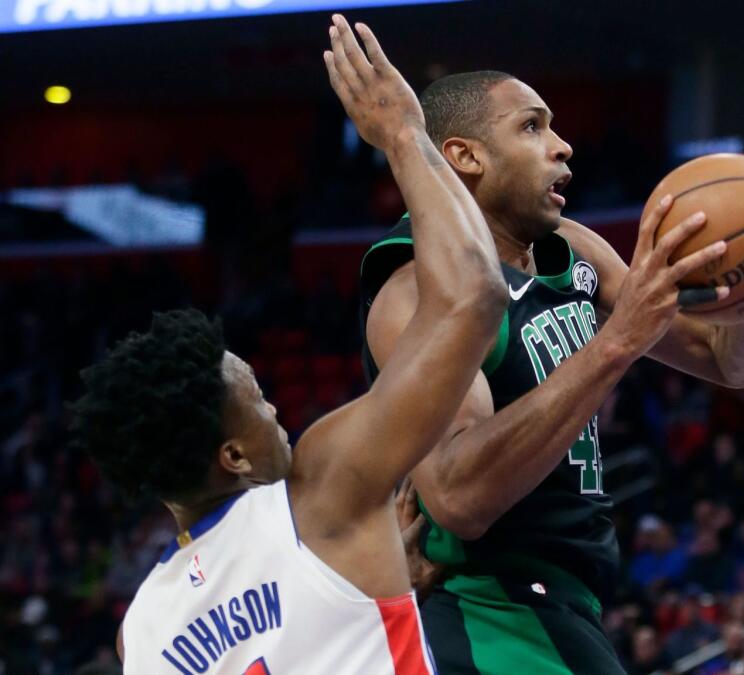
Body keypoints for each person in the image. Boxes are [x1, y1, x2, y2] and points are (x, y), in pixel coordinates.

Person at [70, 16, 507, 673]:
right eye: (260, 402)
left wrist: (370, 588)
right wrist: (404, 134)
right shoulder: (324, 487)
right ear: (235, 453)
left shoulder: (142, 630)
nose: (278, 413)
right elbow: (475, 296)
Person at [359, 70, 744, 673]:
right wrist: (617, 343)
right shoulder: (414, 289)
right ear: (466, 156)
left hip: (565, 606)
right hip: (483, 607)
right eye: (532, 126)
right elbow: (458, 493)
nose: (562, 145)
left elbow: (737, 364)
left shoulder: (573, 249)